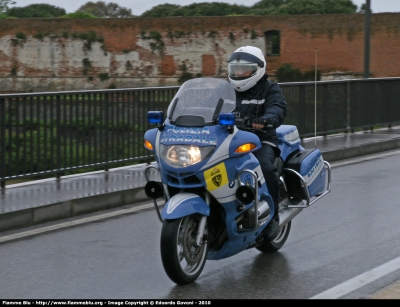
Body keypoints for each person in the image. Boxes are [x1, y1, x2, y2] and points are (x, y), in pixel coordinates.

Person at [227, 46, 287, 241]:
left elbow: (277, 109)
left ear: (258, 69)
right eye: (235, 70)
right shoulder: (225, 90)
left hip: (261, 141)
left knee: (264, 168)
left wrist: (266, 119)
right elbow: (208, 107)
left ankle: (273, 219)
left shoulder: (270, 89)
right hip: (230, 141)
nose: (239, 74)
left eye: (244, 70)